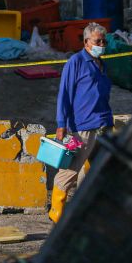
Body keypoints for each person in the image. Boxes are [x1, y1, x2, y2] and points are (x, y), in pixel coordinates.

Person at [49, 22, 113, 223]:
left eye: (103, 41)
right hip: (81, 127)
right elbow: (64, 94)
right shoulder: (75, 62)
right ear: (86, 42)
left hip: (102, 123)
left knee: (96, 167)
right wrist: (61, 123)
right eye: (97, 41)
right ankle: (56, 212)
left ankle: (85, 208)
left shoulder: (101, 63)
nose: (101, 44)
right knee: (69, 170)